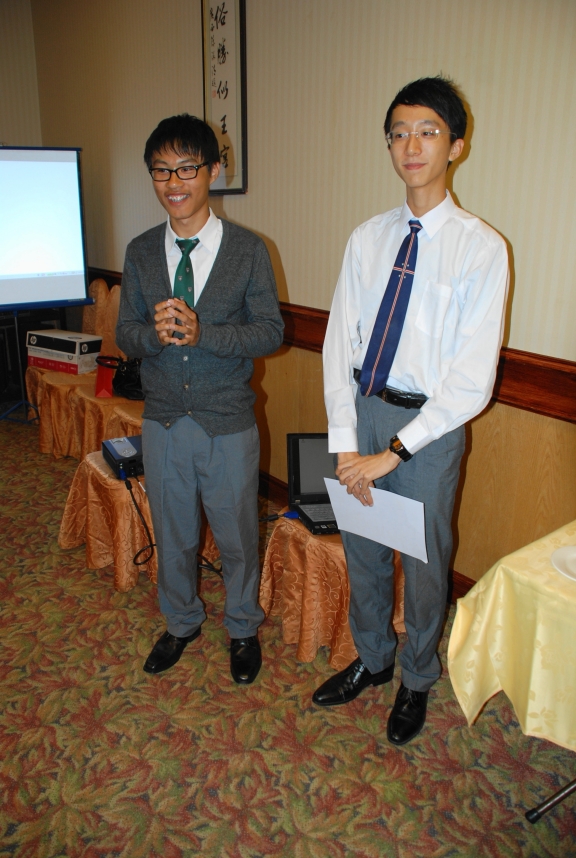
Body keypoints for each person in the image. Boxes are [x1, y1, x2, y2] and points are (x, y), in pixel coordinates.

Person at [314, 77, 509, 744]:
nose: (411, 145)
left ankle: (418, 678)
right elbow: (339, 342)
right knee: (364, 550)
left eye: (427, 131)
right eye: (399, 133)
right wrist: (346, 441)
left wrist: (392, 453)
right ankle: (373, 659)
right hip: (365, 410)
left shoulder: (481, 247)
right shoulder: (368, 238)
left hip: (430, 429)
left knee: (425, 565)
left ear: (456, 145)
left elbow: (471, 380)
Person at [116, 114, 284, 684]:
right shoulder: (141, 251)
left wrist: (203, 332)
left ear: (213, 170)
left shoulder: (248, 250)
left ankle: (243, 627)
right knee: (174, 535)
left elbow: (270, 332)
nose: (174, 182)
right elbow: (125, 333)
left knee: (237, 537)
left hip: (227, 420)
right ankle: (181, 620)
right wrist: (152, 335)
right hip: (164, 420)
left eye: (187, 168)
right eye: (161, 170)